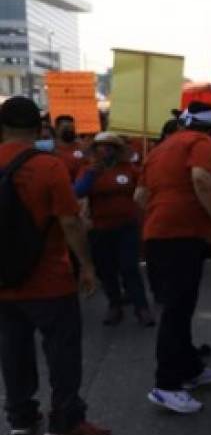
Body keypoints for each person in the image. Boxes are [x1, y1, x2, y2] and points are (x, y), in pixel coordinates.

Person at [0, 97, 110, 435]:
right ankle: (65, 421)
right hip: (49, 279)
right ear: (39, 128)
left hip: (3, 282)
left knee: (12, 349)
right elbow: (70, 222)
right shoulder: (49, 167)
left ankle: (20, 416)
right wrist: (88, 266)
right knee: (62, 350)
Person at [135, 102, 211, 414]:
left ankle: (189, 369)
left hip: (159, 236)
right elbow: (201, 179)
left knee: (180, 307)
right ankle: (166, 385)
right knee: (176, 311)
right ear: (210, 129)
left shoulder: (160, 150)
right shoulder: (200, 143)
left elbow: (140, 197)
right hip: (181, 237)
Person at [74, 132, 155, 327]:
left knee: (129, 267)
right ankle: (114, 305)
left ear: (117, 150)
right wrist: (93, 173)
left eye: (110, 146)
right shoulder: (88, 171)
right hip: (99, 229)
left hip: (127, 227)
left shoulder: (129, 170)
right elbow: (78, 191)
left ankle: (141, 308)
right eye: (101, 146)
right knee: (106, 270)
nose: (105, 150)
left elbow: (147, 187)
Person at [52, 114, 87, 181]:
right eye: (66, 128)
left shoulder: (82, 147)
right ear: (56, 129)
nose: (70, 131)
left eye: (72, 128)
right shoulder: (49, 148)